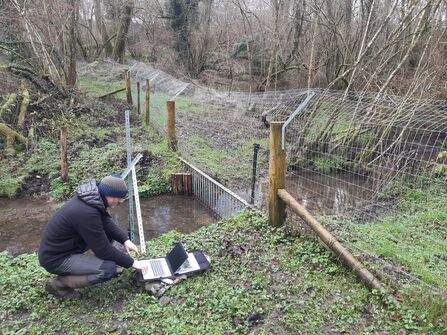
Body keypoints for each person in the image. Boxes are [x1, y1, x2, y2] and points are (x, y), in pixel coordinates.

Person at [38, 173, 148, 299]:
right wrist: (132, 263)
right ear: (110, 195)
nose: (121, 202)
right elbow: (103, 250)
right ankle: (59, 285)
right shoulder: (87, 213)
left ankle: (92, 264)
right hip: (56, 259)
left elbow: (105, 221)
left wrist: (125, 240)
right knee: (108, 270)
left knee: (107, 236)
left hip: (68, 249)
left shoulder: (92, 198)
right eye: (120, 198)